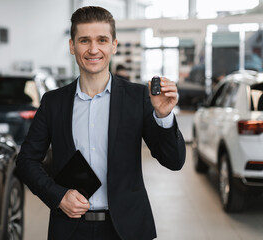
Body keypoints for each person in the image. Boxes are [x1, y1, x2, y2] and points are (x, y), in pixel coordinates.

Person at [16, 6, 185, 240]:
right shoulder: (54, 102)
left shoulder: (138, 97)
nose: (93, 49)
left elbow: (174, 161)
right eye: (84, 40)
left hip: (126, 229)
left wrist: (165, 117)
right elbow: (25, 161)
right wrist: (57, 195)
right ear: (72, 46)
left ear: (113, 45)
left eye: (102, 40)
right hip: (71, 229)